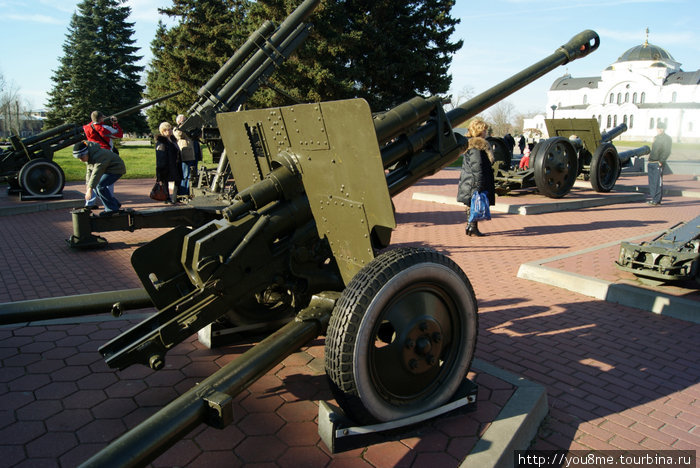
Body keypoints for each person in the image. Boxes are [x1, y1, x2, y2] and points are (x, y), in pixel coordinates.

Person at [456, 118, 496, 236]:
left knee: (471, 204)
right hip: (474, 181)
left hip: (470, 181)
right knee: (474, 204)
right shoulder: (477, 147)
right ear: (478, 131)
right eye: (484, 130)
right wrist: (478, 186)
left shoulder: (471, 145)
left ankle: (470, 227)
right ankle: (472, 228)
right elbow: (477, 167)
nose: (485, 132)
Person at [82, 111, 123, 209]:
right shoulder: (104, 128)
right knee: (107, 181)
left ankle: (89, 202)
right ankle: (110, 201)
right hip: (106, 155)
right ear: (100, 118)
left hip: (92, 155)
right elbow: (119, 134)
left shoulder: (87, 128)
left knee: (92, 177)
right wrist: (115, 123)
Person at [72, 141, 126, 216]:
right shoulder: (89, 155)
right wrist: (88, 186)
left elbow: (96, 173)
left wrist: (90, 188)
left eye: (81, 157)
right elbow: (89, 171)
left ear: (86, 153)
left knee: (100, 186)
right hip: (107, 169)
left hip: (116, 169)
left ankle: (111, 209)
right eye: (78, 158)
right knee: (96, 187)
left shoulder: (99, 155)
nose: (80, 160)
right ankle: (114, 204)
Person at [173, 114, 202, 197]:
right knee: (186, 175)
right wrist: (182, 126)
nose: (186, 122)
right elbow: (179, 135)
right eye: (183, 120)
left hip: (194, 153)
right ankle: (184, 192)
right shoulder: (176, 129)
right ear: (179, 122)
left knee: (194, 174)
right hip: (186, 155)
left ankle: (191, 191)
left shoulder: (190, 128)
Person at [155, 121, 183, 204]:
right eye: (166, 130)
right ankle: (166, 198)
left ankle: (175, 196)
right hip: (166, 165)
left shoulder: (173, 140)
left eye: (170, 129)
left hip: (175, 163)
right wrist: (161, 168)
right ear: (162, 131)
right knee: (165, 181)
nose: (169, 131)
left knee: (178, 180)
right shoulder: (161, 142)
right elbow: (160, 156)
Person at [646, 121, 672, 206]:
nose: (660, 129)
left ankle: (657, 200)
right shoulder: (656, 137)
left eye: (662, 128)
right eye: (659, 128)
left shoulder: (667, 138)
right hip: (651, 162)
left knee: (658, 182)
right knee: (652, 182)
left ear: (664, 129)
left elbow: (667, 151)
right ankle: (654, 199)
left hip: (658, 163)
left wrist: (661, 161)